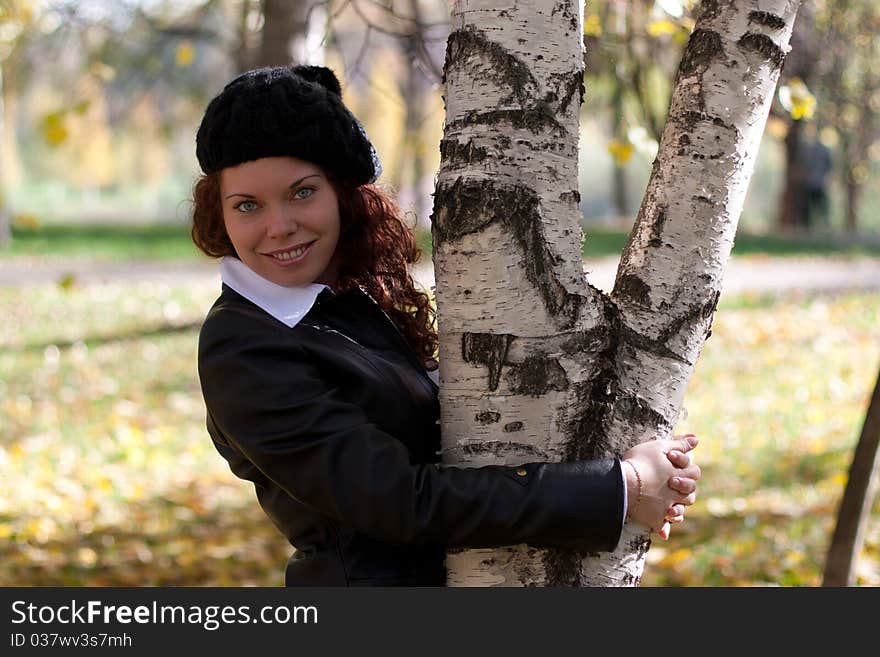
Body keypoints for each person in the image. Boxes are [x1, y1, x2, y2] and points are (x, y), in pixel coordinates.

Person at [191, 65, 701, 587]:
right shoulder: (242, 346)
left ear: (343, 194)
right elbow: (401, 503)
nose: (279, 226)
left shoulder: (343, 298)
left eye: (302, 193)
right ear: (221, 214)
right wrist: (620, 487)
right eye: (247, 205)